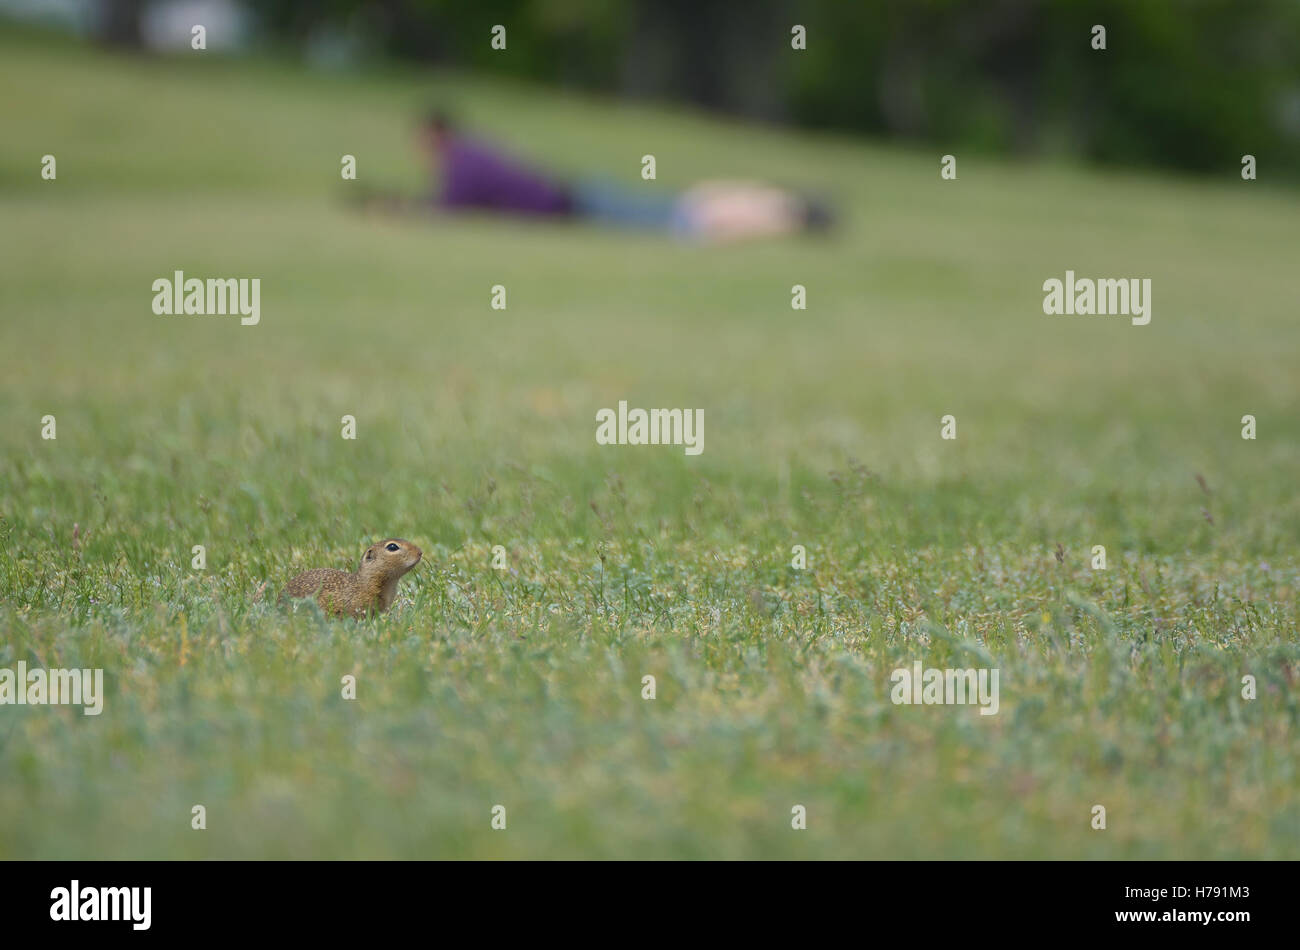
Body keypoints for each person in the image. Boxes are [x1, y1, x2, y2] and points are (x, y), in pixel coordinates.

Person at [391, 110, 835, 242]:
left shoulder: (462, 161)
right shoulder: (475, 151)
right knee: (685, 205)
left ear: (435, 135)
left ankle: (793, 215)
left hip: (580, 204)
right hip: (578, 194)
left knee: (686, 218)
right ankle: (784, 203)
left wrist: (393, 209)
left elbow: (445, 210)